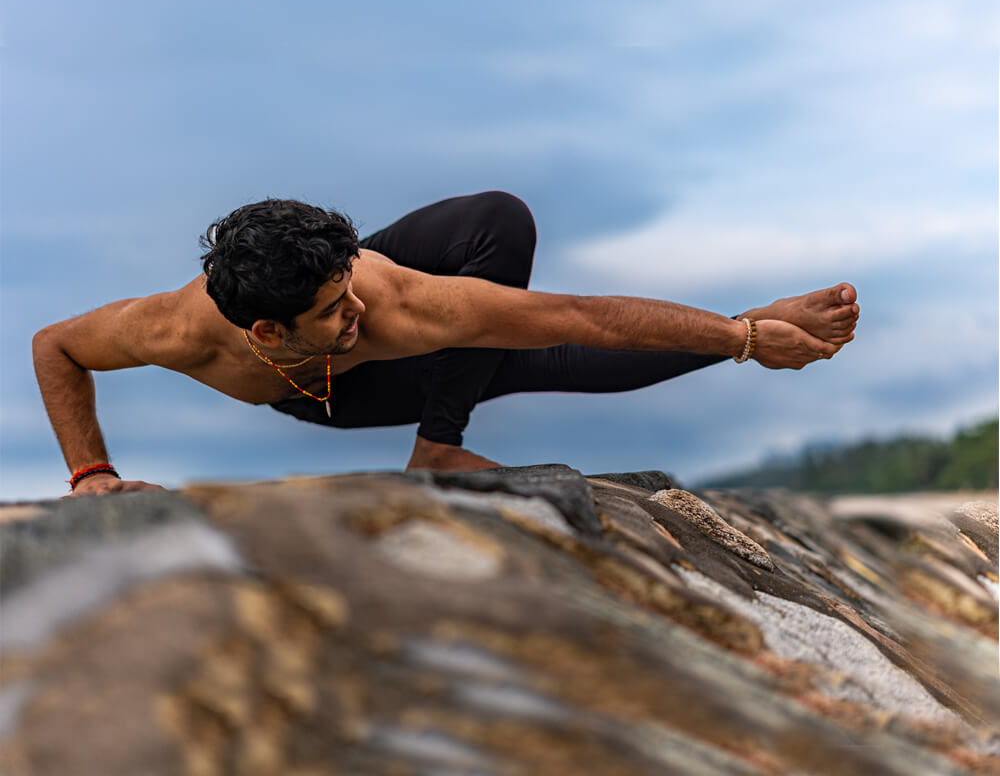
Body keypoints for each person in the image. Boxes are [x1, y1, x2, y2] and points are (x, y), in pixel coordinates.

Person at [32, 191, 859, 497]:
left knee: (501, 225)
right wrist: (91, 475)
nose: (354, 309)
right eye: (331, 307)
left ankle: (439, 446)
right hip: (332, 399)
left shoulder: (384, 298)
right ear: (265, 332)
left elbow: (581, 312)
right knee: (527, 364)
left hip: (405, 307)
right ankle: (438, 445)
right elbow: (54, 347)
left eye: (350, 283)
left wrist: (743, 336)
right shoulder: (169, 331)